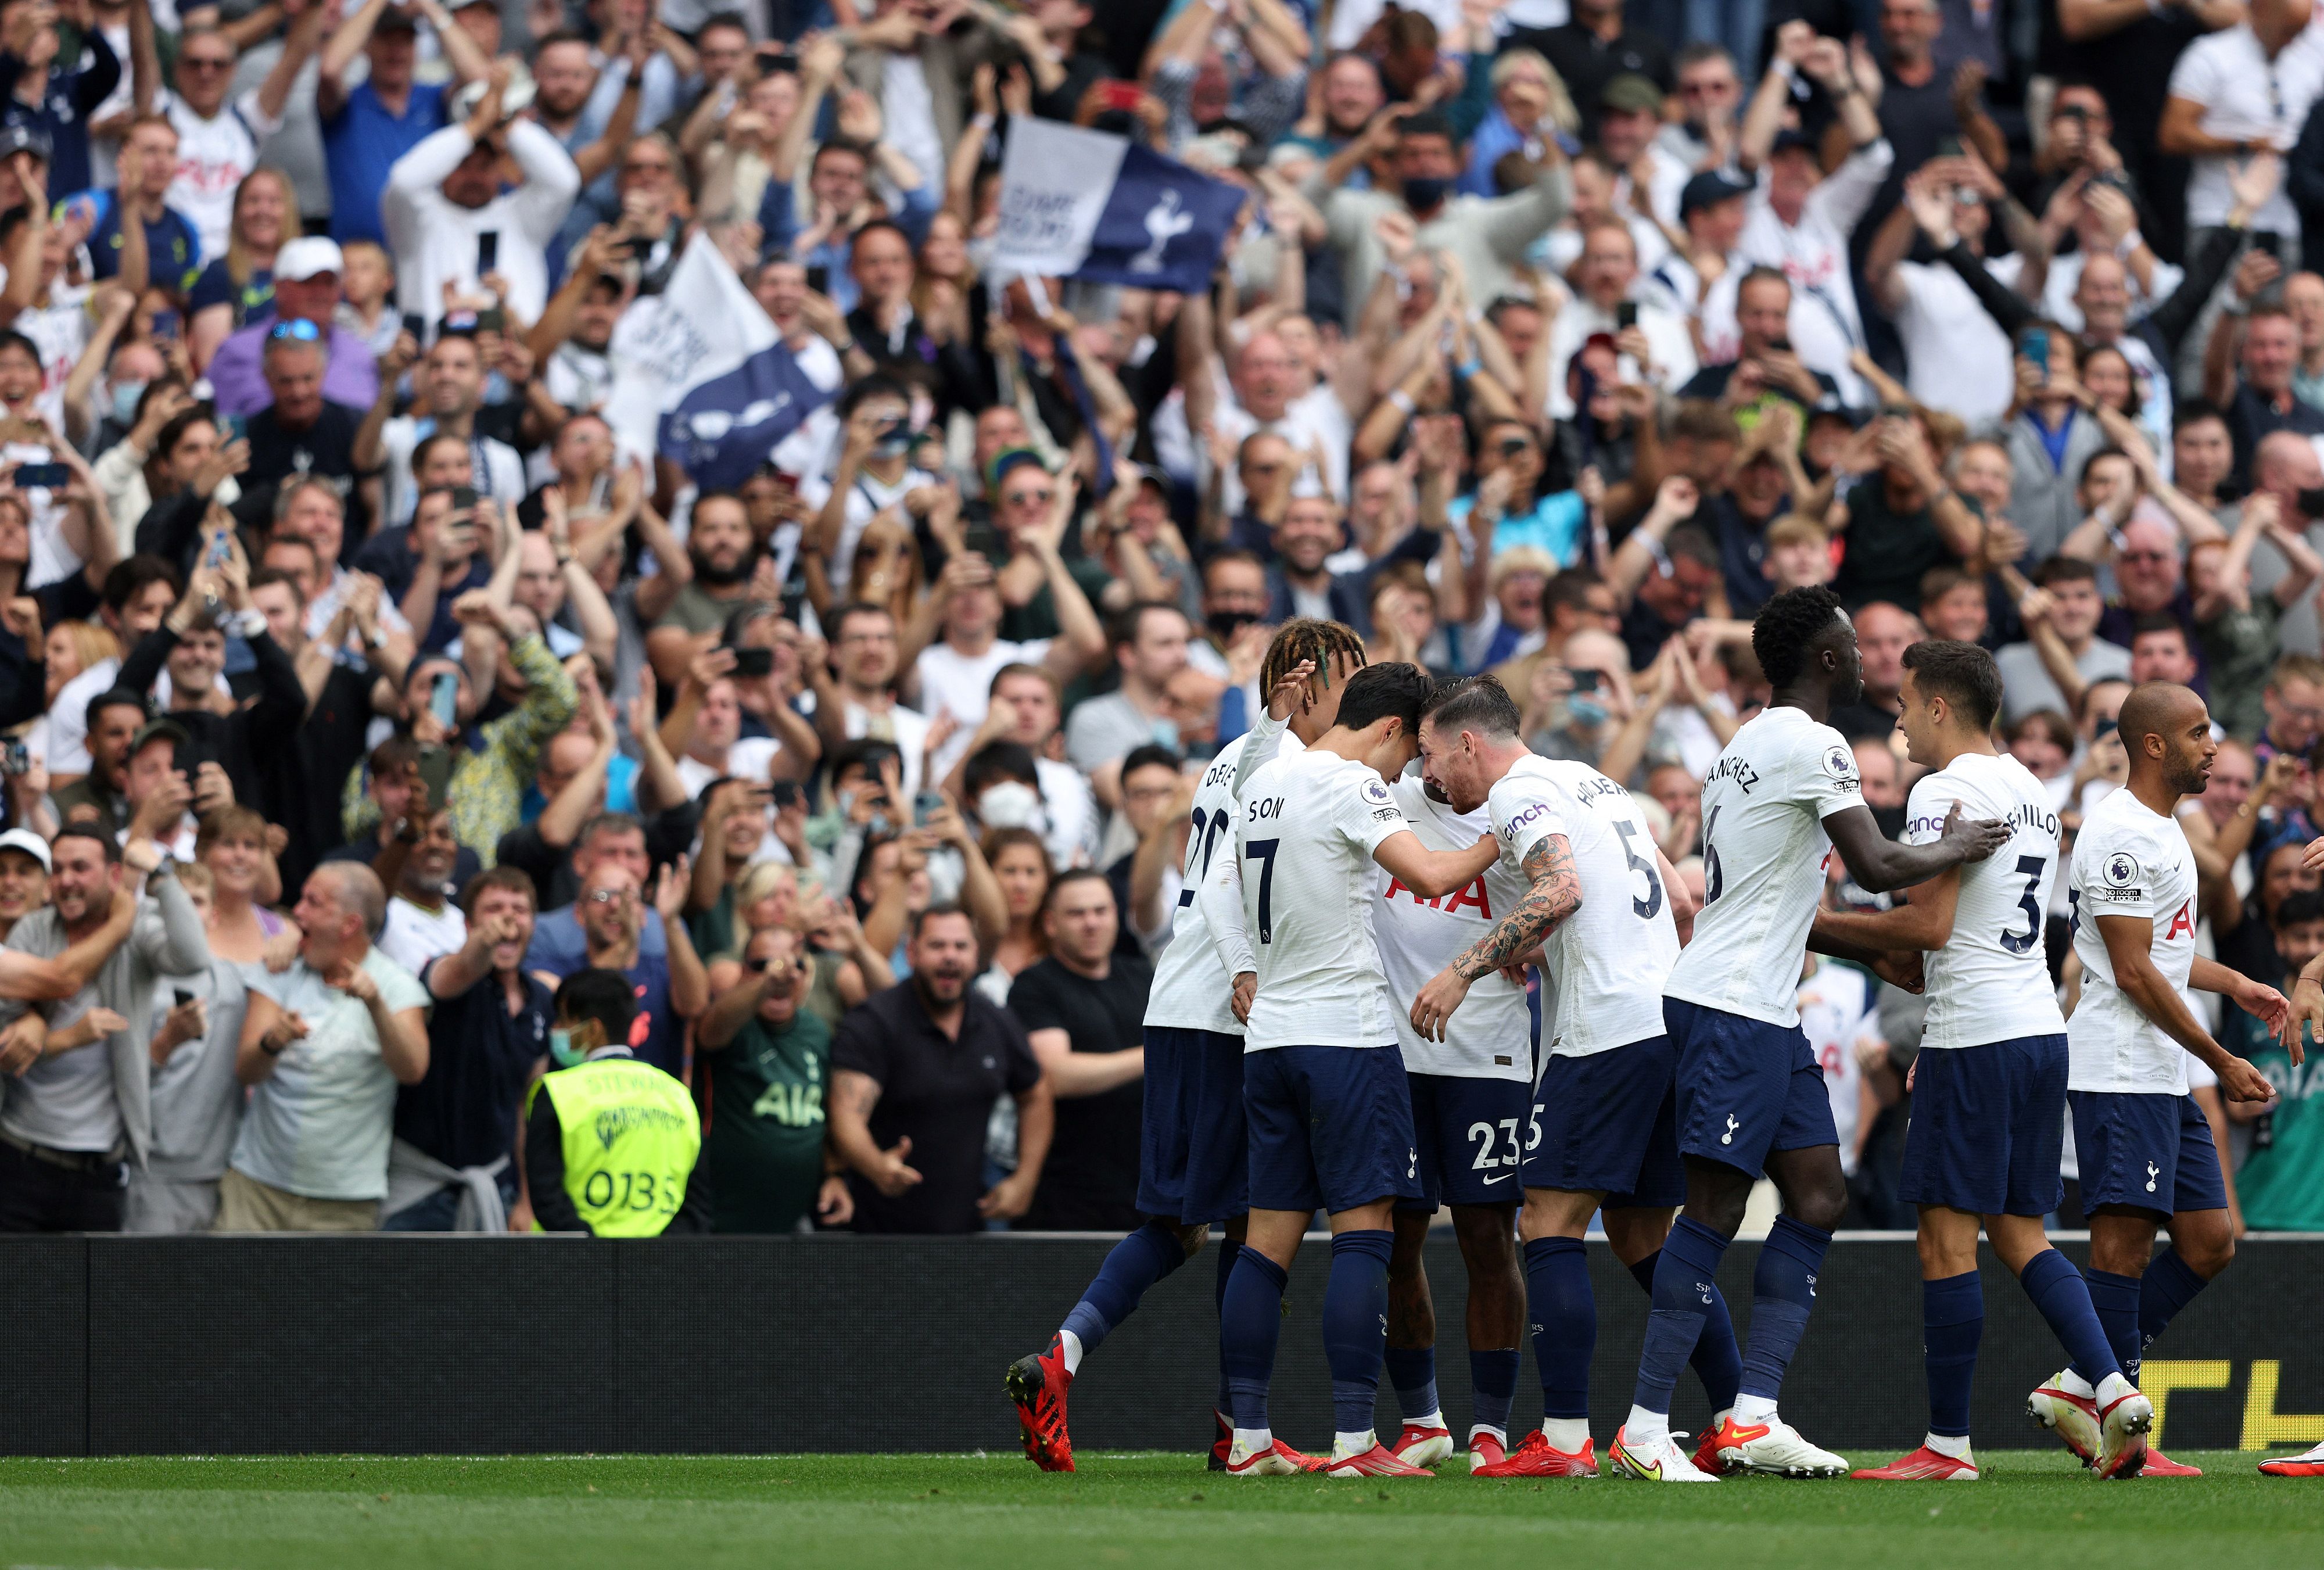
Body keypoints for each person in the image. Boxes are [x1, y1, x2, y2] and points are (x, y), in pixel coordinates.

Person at [1610, 585, 2011, 1482]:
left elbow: (1786, 897)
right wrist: (1960, 845)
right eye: (1856, 647)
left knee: (1820, 1192)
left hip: (1757, 1003)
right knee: (1714, 1208)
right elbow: (1876, 861)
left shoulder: (1742, 746)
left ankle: (1752, 1416)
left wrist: (1875, 956)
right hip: (1732, 1005)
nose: (1869, 660)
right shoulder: (1815, 742)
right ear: (1827, 658)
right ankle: (1644, 1426)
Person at [1005, 622, 1366, 1474]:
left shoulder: (1234, 757)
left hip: (1179, 1003)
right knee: (1256, 1220)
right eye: (1351, 683)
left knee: (1190, 1221)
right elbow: (1244, 886)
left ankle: (1077, 1361)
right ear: (1305, 685)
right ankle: (1242, 1430)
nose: (1362, 703)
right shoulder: (1288, 765)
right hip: (1230, 1010)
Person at [1807, 641, 2154, 1481]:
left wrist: (1806, 923)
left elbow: (1927, 929)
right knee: (2021, 1232)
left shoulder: (1942, 789)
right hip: (2036, 1030)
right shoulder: (2031, 790)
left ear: (1938, 706)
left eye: (1904, 702)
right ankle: (2112, 1385)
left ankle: (1947, 1446)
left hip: (1976, 1034)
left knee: (1944, 1239)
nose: (1897, 719)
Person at [1408, 674, 1713, 1478]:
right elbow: (1680, 899)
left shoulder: (1518, 790)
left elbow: (1562, 886)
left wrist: (1464, 968)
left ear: (1468, 742)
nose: (1430, 775)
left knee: (1545, 1221)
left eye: (1432, 756)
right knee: (1645, 1236)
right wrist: (1542, 944)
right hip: (1666, 1019)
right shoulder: (1597, 782)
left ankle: (1566, 1437)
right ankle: (1737, 1415)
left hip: (1602, 1033)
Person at [1213, 661, 1501, 1478]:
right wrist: (1507, 832)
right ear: (1390, 728)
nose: (1409, 770)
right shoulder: (1351, 784)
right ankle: (1353, 1441)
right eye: (1410, 752)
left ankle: (1249, 1439)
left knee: (1265, 1246)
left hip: (1270, 1038)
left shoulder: (1264, 781)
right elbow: (1432, 873)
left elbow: (1224, 887)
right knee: (1364, 1235)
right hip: (1345, 1035)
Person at [2035, 680, 2289, 1474]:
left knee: (2210, 1241)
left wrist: (2235, 982)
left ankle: (2084, 1381)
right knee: (2122, 1249)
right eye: (2198, 732)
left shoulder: (2164, 827)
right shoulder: (2117, 831)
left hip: (2160, 1070)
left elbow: (2165, 953)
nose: (2212, 746)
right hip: (2119, 1066)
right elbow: (2135, 971)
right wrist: (2220, 1058)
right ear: (2153, 744)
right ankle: (2125, 1435)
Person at [0, 825, 199, 1232]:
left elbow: (193, 956)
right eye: (58, 870)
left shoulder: (138, 930)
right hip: (21, 1155)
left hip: (100, 1168)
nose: (66, 881)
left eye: (80, 868)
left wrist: (162, 876)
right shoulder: (33, 930)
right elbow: (8, 1044)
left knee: (92, 1277)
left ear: (114, 876)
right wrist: (59, 1034)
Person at [222, 862, 431, 1231]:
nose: (298, 910)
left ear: (349, 924)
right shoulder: (282, 969)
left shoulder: (396, 986)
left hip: (345, 1201)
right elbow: (246, 1072)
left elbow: (412, 1070)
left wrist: (375, 1005)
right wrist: (274, 1041)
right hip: (257, 1188)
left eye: (313, 902)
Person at [827, 903, 1052, 1234]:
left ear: (977, 955)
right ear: (912, 953)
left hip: (967, 1229)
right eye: (937, 945)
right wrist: (876, 1166)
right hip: (879, 1230)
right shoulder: (875, 1021)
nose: (950, 956)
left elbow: (1035, 1093)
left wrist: (1026, 1178)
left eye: (960, 946)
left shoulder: (995, 1020)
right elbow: (846, 1116)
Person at [388, 866, 548, 1232]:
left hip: (496, 1188)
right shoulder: (447, 971)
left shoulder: (540, 1000)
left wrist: (526, 1199)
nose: (508, 919)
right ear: (468, 924)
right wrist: (482, 945)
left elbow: (526, 1106)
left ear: (533, 924)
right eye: (494, 909)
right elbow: (458, 970)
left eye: (519, 909)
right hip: (422, 1191)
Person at [1004, 869, 1151, 1233]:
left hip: (1145, 1188)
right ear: (1050, 924)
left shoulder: (1143, 977)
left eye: (1101, 911)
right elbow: (1056, 1074)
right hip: (1067, 1195)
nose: (1091, 923)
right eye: (1077, 913)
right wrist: (1156, 1056)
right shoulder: (1034, 986)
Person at [522, 966, 708, 1236]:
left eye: (563, 1020)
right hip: (660, 1259)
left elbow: (546, 1197)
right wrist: (658, 1254)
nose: (556, 1029)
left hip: (574, 1258)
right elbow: (698, 1206)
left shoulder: (557, 1092)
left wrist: (597, 1252)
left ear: (593, 1029)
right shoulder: (677, 1095)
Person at [695, 923, 849, 1235]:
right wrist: (767, 981)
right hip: (722, 1223)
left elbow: (828, 1113)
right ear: (743, 972)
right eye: (763, 965)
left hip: (794, 1220)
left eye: (794, 966)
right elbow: (711, 1032)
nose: (781, 976)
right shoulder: (732, 1023)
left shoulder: (817, 1031)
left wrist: (834, 1175)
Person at [124, 859, 251, 1234]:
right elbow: (116, 1083)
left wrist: (287, 938)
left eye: (196, 901)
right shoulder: (135, 982)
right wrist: (165, 1043)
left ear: (214, 916)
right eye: (174, 901)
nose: (184, 911)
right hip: (151, 1173)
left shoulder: (236, 981)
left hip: (222, 1171)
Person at [529, 859, 703, 1080]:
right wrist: (626, 943)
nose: (615, 905)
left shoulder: (664, 969)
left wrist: (670, 921)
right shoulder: (557, 971)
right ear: (579, 914)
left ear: (644, 915)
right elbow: (573, 1000)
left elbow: (695, 1005)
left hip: (651, 1099)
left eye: (628, 897)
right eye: (601, 896)